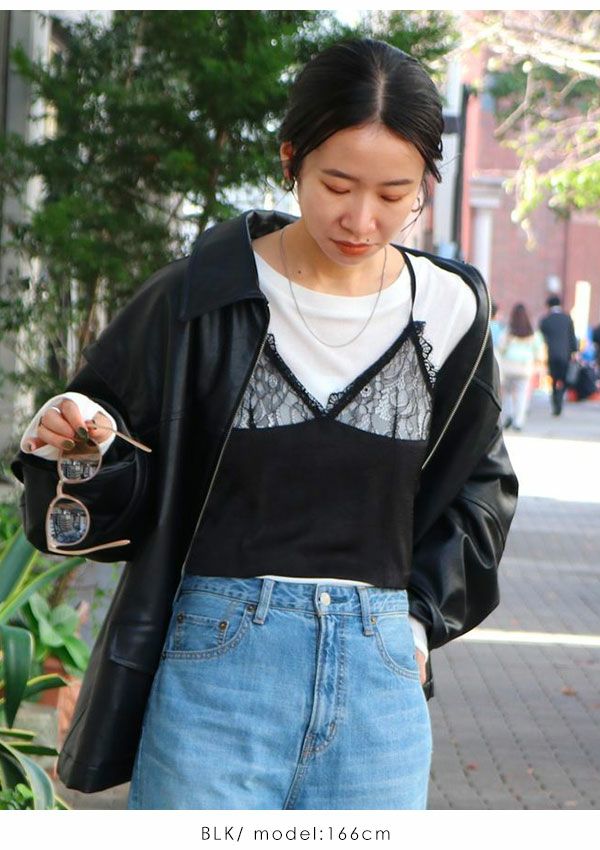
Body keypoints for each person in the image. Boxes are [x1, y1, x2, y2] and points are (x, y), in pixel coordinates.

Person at [11, 38, 518, 810]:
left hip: (379, 679)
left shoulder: (450, 310)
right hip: (217, 668)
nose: (362, 219)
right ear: (291, 160)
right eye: (337, 184)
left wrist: (415, 626)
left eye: (396, 194)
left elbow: (481, 488)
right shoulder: (200, 297)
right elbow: (100, 469)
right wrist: (82, 445)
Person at [498, 303, 545, 431]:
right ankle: (518, 421)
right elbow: (539, 352)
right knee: (521, 395)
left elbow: (501, 347)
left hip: (508, 367)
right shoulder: (533, 333)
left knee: (507, 393)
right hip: (525, 368)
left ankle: (508, 415)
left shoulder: (508, 331)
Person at [539, 295, 578, 416]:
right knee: (564, 378)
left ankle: (555, 399)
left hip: (551, 354)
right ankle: (560, 396)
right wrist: (574, 351)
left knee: (554, 378)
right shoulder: (567, 318)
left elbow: (541, 338)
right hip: (565, 354)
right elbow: (572, 336)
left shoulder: (546, 320)